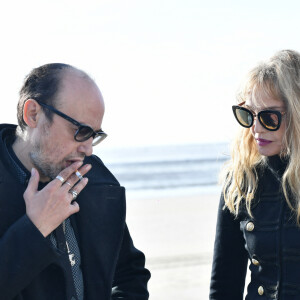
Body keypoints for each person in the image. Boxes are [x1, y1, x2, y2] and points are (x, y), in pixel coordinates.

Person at [0, 63, 150, 300]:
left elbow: (129, 274)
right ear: (33, 114)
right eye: (80, 131)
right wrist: (35, 228)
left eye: (94, 135)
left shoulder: (95, 177)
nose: (88, 149)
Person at [209, 50, 300, 299]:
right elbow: (224, 284)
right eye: (248, 114)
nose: (256, 128)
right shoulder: (240, 180)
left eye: (269, 117)